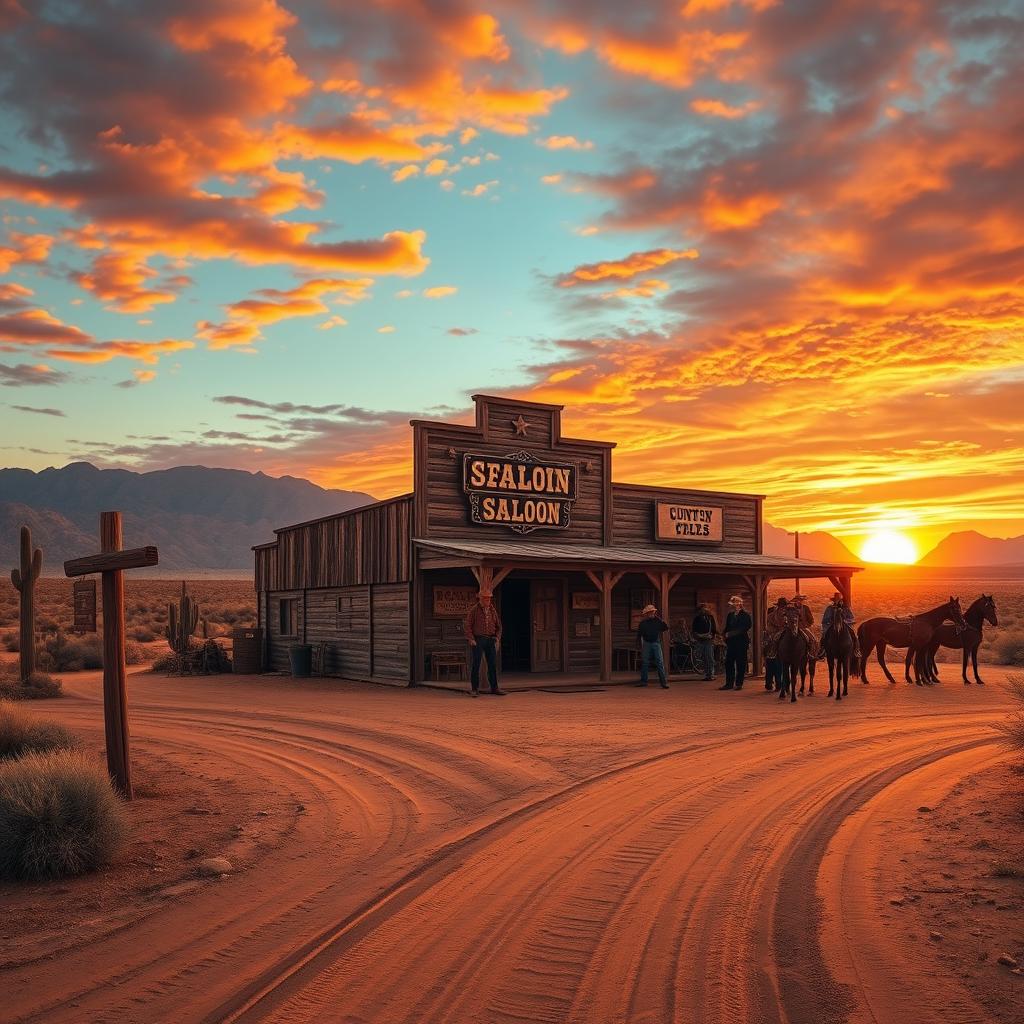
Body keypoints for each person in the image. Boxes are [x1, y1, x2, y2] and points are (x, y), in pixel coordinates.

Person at [463, 588, 506, 697]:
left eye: (489, 598)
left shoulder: (492, 610)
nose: (487, 600)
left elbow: (499, 626)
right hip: (478, 639)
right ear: (480, 598)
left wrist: (497, 637)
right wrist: (471, 639)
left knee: (492, 664)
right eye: (485, 598)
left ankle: (494, 687)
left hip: (490, 639)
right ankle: (474, 689)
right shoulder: (474, 610)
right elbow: (467, 625)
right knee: (476, 664)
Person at [720, 594, 752, 690]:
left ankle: (739, 684)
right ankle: (729, 683)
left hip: (741, 643)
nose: (732, 606)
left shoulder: (746, 616)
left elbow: (745, 627)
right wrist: (723, 634)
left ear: (739, 605)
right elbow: (727, 627)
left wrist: (731, 634)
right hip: (731, 643)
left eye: (734, 604)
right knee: (728, 662)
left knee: (740, 663)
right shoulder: (730, 615)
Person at [634, 604, 669, 689]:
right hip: (646, 643)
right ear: (646, 614)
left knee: (660, 662)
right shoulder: (643, 623)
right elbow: (639, 635)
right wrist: (638, 645)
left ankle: (663, 682)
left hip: (656, 643)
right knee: (645, 662)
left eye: (652, 612)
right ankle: (644, 681)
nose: (651, 613)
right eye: (649, 612)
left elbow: (665, 627)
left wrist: (659, 618)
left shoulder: (657, 621)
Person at [821, 591, 860, 658]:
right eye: (836, 600)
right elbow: (824, 620)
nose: (838, 601)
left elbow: (852, 618)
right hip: (832, 625)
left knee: (854, 635)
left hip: (845, 625)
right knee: (824, 636)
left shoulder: (845, 608)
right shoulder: (829, 608)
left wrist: (845, 621)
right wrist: (830, 622)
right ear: (834, 601)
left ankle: (856, 650)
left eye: (839, 600)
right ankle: (822, 650)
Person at [764, 596, 788, 691]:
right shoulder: (771, 616)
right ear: (779, 606)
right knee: (771, 663)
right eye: (782, 606)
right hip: (773, 637)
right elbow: (769, 628)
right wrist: (778, 632)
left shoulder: (789, 615)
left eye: (784, 606)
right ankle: (771, 683)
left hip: (785, 635)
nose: (783, 608)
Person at [691, 602, 717, 681]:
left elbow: (713, 629)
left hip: (708, 640)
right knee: (703, 657)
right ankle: (707, 674)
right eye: (703, 608)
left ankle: (711, 674)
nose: (704, 610)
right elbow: (694, 630)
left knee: (709, 657)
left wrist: (712, 636)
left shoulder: (710, 618)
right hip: (700, 640)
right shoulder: (697, 619)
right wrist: (700, 636)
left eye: (705, 608)